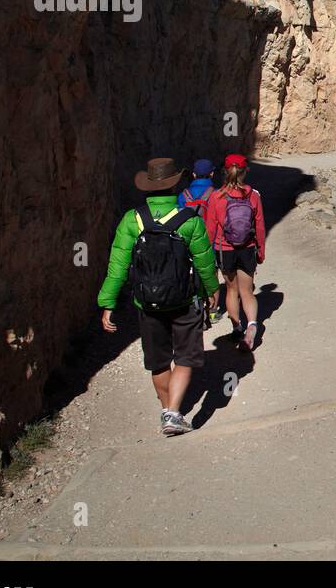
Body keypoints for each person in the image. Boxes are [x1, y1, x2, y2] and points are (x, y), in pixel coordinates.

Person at [97, 158, 220, 436]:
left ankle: (168, 411)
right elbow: (204, 262)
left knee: (159, 360)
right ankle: (173, 414)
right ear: (175, 183)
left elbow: (117, 265)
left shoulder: (132, 219)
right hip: (184, 301)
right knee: (186, 357)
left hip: (147, 303)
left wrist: (108, 303)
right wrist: (212, 290)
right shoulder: (190, 220)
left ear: (148, 187)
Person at [204, 153, 266, 351]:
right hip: (247, 248)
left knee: (231, 290)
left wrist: (207, 254)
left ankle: (237, 327)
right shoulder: (253, 195)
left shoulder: (216, 197)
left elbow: (210, 229)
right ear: (245, 171)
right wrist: (261, 251)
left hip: (225, 249)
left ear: (224, 171)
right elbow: (260, 227)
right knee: (247, 291)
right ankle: (252, 326)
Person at [179, 158, 225, 321]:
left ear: (193, 174)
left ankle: (194, 307)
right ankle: (212, 311)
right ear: (212, 174)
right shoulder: (216, 194)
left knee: (190, 274)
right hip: (209, 241)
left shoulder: (183, 195)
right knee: (211, 274)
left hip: (187, 242)